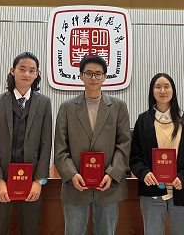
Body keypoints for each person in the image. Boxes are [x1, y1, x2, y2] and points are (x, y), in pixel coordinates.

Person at [54, 54, 131, 235]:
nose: (93, 78)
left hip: (108, 187)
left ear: (105, 76)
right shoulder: (67, 108)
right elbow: (60, 148)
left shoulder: (118, 107)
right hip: (75, 187)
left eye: (98, 73)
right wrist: (72, 175)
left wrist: (112, 174)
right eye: (88, 73)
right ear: (81, 75)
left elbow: (124, 144)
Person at [0, 52, 52, 235]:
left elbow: (46, 144)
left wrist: (39, 181)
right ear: (13, 71)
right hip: (2, 176)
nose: (27, 74)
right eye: (22, 69)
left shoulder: (44, 103)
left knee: (30, 229)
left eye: (32, 70)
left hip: (32, 178)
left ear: (37, 74)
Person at [129, 73, 184, 235]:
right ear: (152, 91)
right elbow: (134, 156)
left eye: (166, 86)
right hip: (152, 192)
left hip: (181, 191)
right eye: (158, 87)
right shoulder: (143, 121)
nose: (162, 91)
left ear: (173, 90)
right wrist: (144, 173)